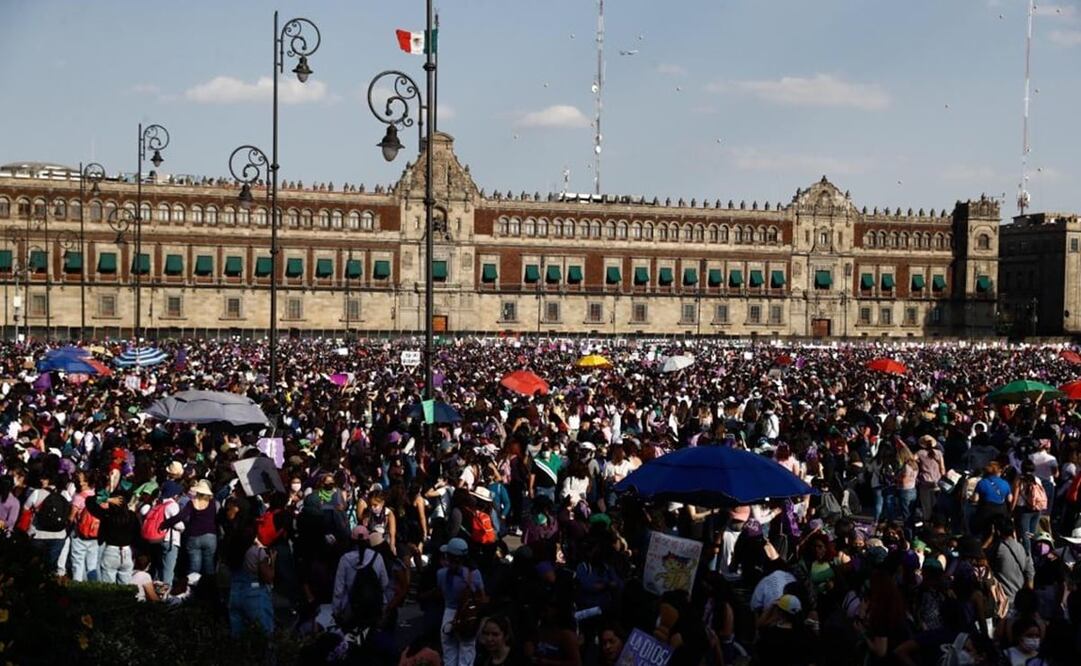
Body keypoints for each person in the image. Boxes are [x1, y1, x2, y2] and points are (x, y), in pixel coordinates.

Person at [434, 537, 487, 666]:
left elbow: (440, 592)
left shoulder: (441, 574)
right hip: (468, 615)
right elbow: (482, 596)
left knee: (449, 654)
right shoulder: (474, 574)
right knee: (467, 652)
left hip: (448, 615)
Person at [226, 525, 276, 637]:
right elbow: (268, 577)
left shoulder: (232, 552)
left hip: (234, 592)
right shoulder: (256, 552)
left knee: (237, 636)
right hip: (254, 593)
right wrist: (272, 561)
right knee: (263, 633)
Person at [162, 479, 218, 577]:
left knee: (194, 567)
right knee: (209, 566)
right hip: (210, 535)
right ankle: (210, 588)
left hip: (194, 535)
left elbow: (181, 516)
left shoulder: (192, 503)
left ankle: (192, 588)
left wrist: (165, 523)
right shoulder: (213, 503)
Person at [86, 488, 138, 584]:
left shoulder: (107, 515)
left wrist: (108, 499)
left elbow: (89, 501)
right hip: (127, 551)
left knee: (109, 588)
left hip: (111, 551)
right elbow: (138, 534)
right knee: (125, 588)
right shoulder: (132, 516)